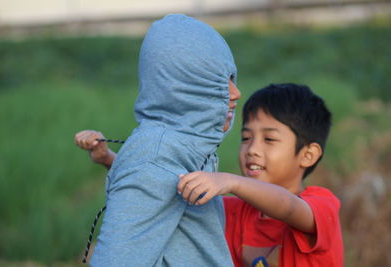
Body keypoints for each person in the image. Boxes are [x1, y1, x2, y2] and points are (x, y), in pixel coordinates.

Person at [75, 14, 241, 266]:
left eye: (231, 78)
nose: (235, 92)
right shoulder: (155, 156)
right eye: (217, 82)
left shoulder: (186, 147)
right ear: (182, 88)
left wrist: (110, 160)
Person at [177, 83, 343, 267]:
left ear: (307, 155)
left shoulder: (321, 205)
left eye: (269, 139)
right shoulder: (233, 212)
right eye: (246, 138)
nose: (252, 150)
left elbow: (288, 206)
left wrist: (232, 181)